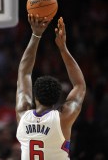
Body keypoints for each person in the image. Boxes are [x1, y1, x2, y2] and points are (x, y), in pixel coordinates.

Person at [15, 14, 86, 159]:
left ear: (35, 95)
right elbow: (79, 85)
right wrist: (63, 48)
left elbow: (24, 73)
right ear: (58, 98)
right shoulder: (63, 118)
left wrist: (36, 34)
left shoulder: (22, 114)